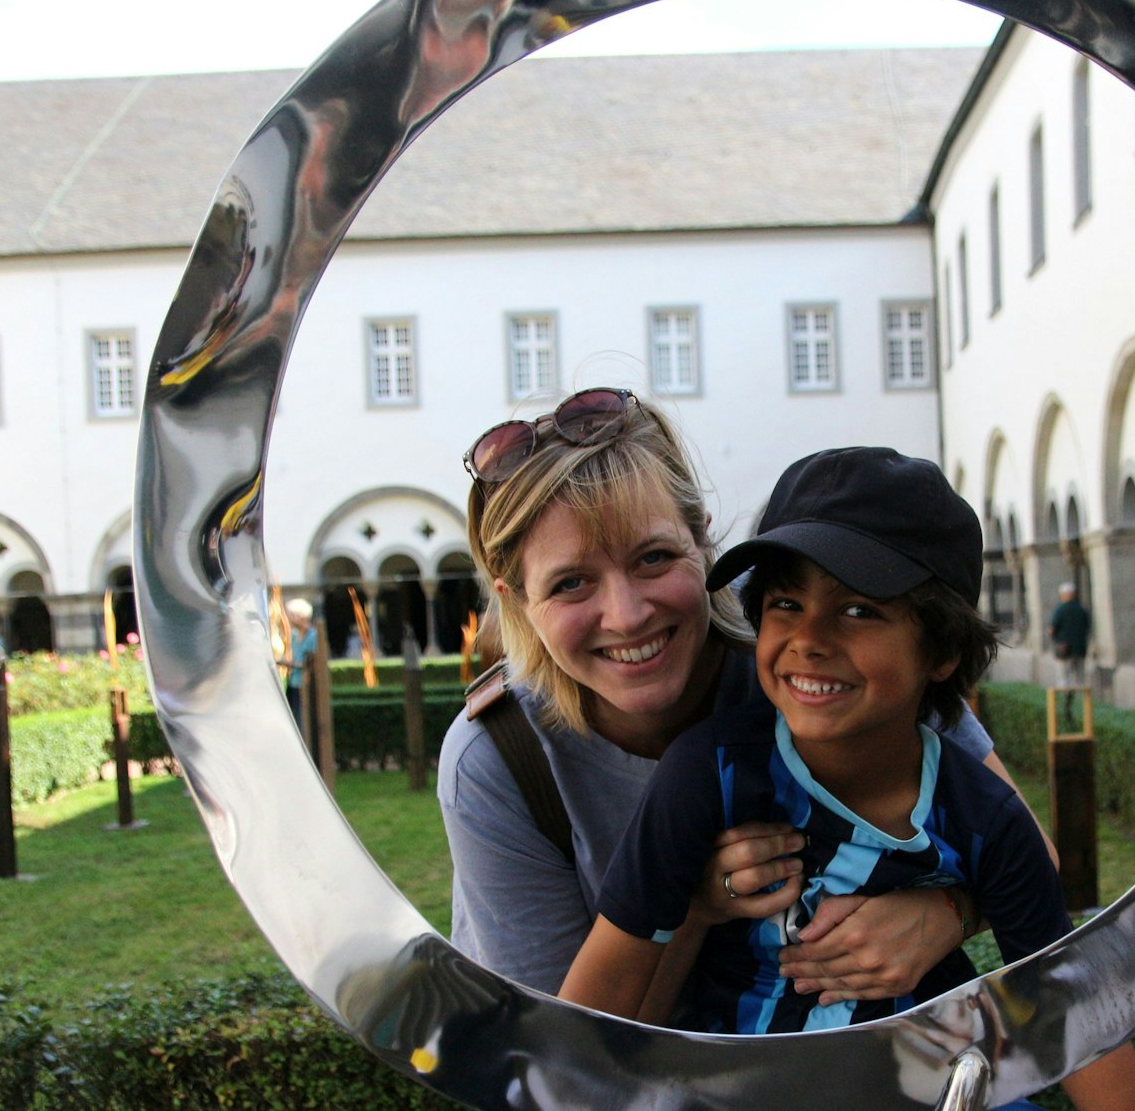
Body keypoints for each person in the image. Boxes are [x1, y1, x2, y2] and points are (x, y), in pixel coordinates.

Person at [559, 448, 1135, 1109]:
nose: (808, 638)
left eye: (859, 610)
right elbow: (597, 1000)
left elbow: (1075, 1015)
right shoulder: (710, 775)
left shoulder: (985, 818)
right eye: (785, 601)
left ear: (943, 648)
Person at [439, 389, 1037, 1004]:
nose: (625, 615)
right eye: (570, 583)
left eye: (653, 558)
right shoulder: (496, 760)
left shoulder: (808, 650)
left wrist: (946, 910)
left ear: (703, 539)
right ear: (516, 602)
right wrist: (690, 907)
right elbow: (567, 1051)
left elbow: (1022, 848)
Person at [1048, 580, 1091, 724]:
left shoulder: (1061, 609)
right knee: (1079, 679)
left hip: (1064, 652)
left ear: (1066, 595)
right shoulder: (1082, 609)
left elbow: (1052, 629)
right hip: (1080, 650)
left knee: (1063, 679)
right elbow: (1087, 628)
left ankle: (1065, 707)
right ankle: (1081, 710)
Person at [278, 598, 317, 721]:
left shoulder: (313, 636)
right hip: (293, 683)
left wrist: (288, 663)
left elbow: (312, 662)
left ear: (301, 616)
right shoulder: (294, 635)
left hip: (306, 685)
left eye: (292, 615)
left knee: (303, 720)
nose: (289, 618)